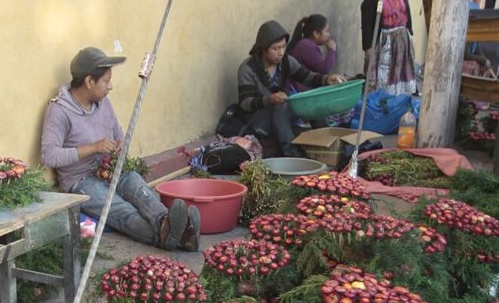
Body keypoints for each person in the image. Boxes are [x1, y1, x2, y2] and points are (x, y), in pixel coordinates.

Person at [41, 47, 200, 251]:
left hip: (111, 169)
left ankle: (166, 224)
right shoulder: (59, 110)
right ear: (89, 82)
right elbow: (49, 156)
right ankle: (179, 234)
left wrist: (120, 146)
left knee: (140, 191)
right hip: (82, 181)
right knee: (122, 210)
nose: (111, 86)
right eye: (106, 81)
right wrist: (94, 148)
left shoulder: (103, 103)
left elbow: (119, 135)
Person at [236, 21, 346, 156]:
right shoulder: (247, 69)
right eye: (275, 48)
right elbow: (245, 103)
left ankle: (328, 144)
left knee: (311, 102)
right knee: (280, 109)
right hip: (260, 121)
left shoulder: (286, 61)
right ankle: (291, 152)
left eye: (283, 47)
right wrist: (269, 99)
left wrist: (327, 79)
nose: (281, 52)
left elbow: (307, 77)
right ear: (263, 49)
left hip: (281, 114)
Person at [360, 0, 418, 96]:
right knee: (385, 74)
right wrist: (367, 46)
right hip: (385, 42)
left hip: (403, 41)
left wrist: (409, 31)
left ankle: (400, 99)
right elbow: (366, 23)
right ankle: (384, 100)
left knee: (402, 72)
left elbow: (407, 11)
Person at [288, 14, 337, 92]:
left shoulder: (306, 43)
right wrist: (332, 50)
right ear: (316, 33)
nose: (328, 35)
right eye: (327, 31)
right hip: (301, 92)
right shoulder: (307, 46)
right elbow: (324, 69)